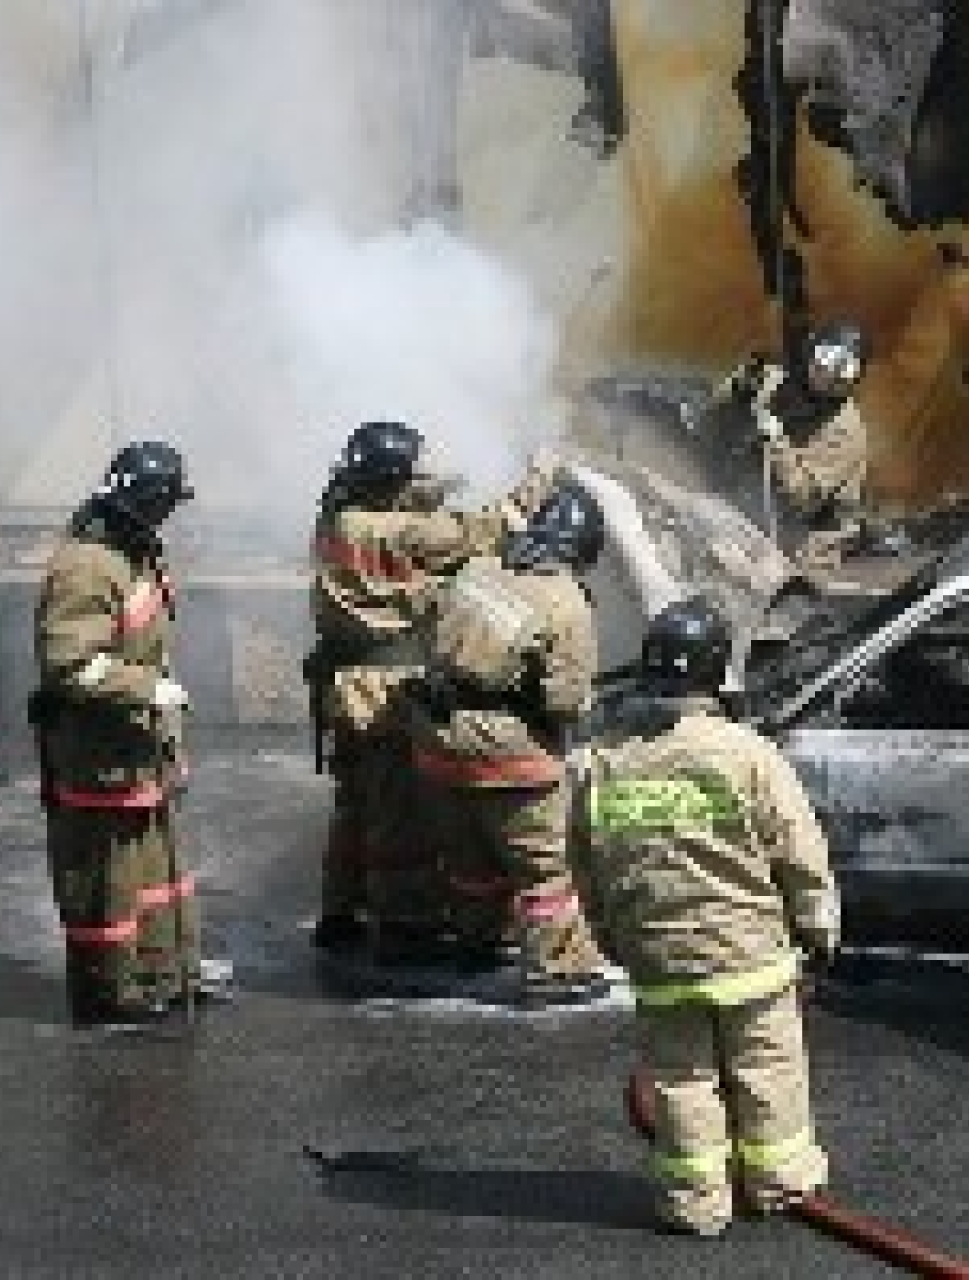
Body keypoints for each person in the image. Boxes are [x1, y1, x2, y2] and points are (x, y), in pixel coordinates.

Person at [572, 597, 836, 1238]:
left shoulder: (603, 763)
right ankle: (777, 1182)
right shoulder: (746, 755)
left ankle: (695, 1200)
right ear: (717, 674)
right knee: (765, 1067)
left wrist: (611, 937)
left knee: (681, 1079)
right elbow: (799, 853)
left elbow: (586, 864)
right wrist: (818, 929)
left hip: (658, 958)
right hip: (749, 955)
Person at [306, 421, 551, 964]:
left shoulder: (339, 517)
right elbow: (478, 531)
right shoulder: (398, 535)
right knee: (402, 812)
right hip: (385, 689)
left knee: (354, 806)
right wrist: (534, 483)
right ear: (393, 480)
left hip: (346, 685)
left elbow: (414, 510)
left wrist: (441, 481)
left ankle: (341, 913)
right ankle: (405, 926)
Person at [30, 441, 228, 1028]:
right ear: (149, 502)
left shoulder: (131, 551)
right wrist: (147, 688)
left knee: (154, 867)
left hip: (136, 744)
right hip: (99, 751)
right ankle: (111, 989)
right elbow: (70, 664)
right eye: (168, 504)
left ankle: (166, 971)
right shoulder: (88, 567)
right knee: (108, 879)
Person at [403, 481, 616, 1000]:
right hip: (510, 757)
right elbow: (564, 699)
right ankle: (558, 968)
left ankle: (476, 944)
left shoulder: (478, 568)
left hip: (436, 739)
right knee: (546, 866)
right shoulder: (566, 601)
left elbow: (427, 618)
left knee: (471, 860)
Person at [710, 322, 870, 572]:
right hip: (743, 493)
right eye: (822, 366)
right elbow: (713, 420)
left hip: (801, 534)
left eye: (839, 374)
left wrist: (777, 439)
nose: (826, 377)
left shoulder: (848, 433)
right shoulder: (774, 379)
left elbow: (802, 495)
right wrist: (734, 393)